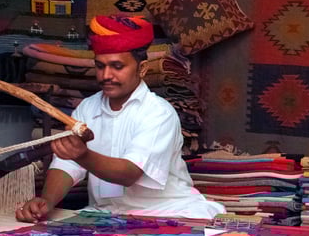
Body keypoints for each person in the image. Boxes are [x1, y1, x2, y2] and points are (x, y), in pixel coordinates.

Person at [15, 14, 225, 222]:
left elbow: (129, 173)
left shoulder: (158, 113)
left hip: (168, 212)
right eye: (100, 66)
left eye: (117, 66)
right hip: (106, 215)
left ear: (142, 69)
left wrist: (82, 155)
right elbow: (67, 164)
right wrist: (47, 201)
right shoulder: (87, 108)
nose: (106, 75)